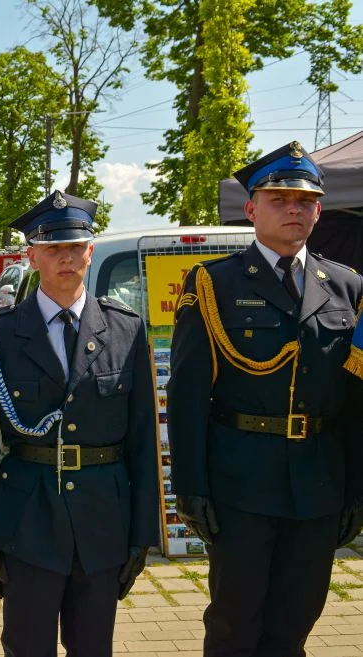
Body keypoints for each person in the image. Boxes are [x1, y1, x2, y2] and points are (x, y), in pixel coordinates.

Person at [168, 142, 363, 657]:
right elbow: (187, 395)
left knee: (295, 624)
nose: (293, 208)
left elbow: (356, 404)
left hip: (319, 485)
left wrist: (357, 488)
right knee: (234, 625)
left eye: (304, 200)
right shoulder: (214, 282)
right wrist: (189, 486)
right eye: (279, 199)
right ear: (252, 208)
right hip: (240, 486)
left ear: (320, 210)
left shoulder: (346, 287)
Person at [0, 190, 159, 657]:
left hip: (102, 522)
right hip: (27, 521)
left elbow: (143, 440)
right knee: (27, 647)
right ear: (31, 257)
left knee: (94, 648)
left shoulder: (126, 329)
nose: (66, 258)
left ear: (90, 252)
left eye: (75, 247)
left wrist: (141, 534)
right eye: (53, 248)